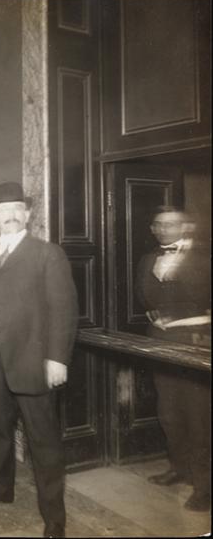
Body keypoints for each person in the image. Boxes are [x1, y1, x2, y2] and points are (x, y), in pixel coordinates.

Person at [0, 182, 78, 539]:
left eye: (17, 209)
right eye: (3, 210)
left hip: (32, 359)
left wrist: (57, 359)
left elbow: (63, 310)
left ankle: (54, 518)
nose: (10, 215)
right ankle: (0, 487)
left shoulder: (47, 254)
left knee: (42, 440)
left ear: (27, 214)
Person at [135, 206, 210, 512]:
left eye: (170, 224)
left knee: (198, 415)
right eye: (158, 225)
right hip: (160, 342)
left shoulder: (205, 258)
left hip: (196, 342)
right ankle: (179, 468)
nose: (162, 230)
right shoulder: (148, 259)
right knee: (168, 411)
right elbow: (143, 296)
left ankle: (205, 486)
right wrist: (152, 312)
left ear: (186, 227)